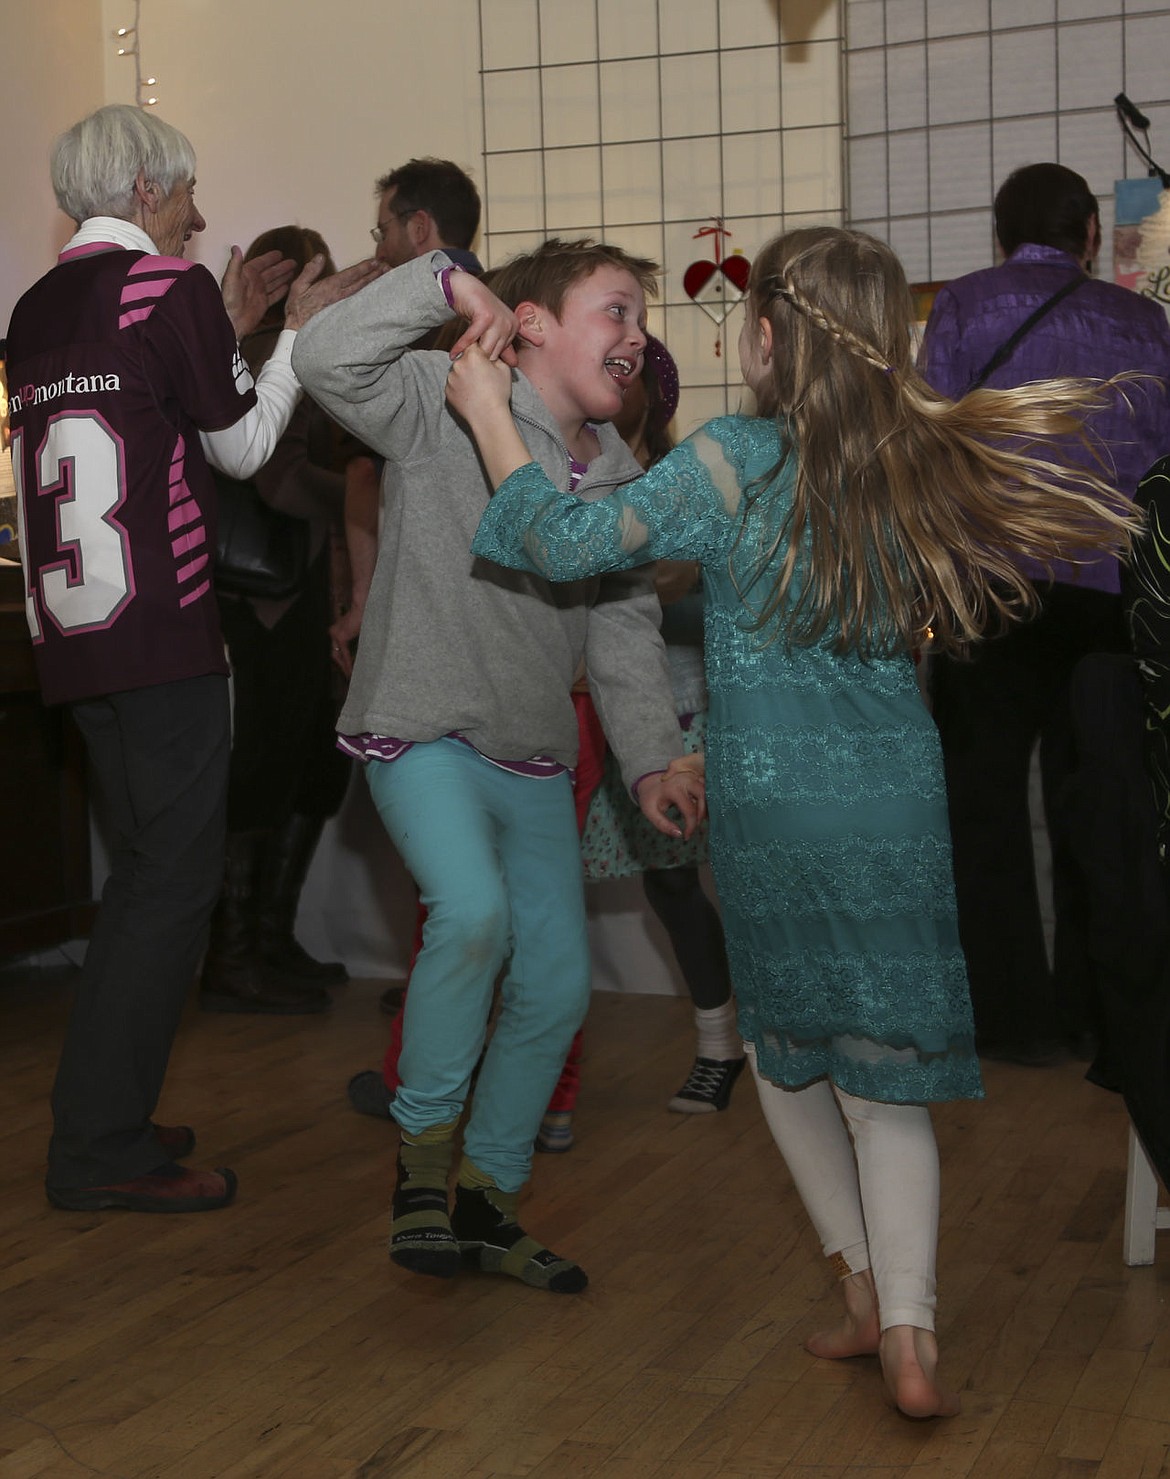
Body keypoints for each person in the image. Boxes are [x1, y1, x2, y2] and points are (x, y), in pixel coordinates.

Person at [446, 224, 1136, 1414]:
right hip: (892, 798)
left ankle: (863, 1293)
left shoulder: (733, 457)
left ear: (765, 337)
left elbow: (566, 545)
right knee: (884, 1080)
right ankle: (909, 1336)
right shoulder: (922, 463)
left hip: (771, 804)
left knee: (779, 1050)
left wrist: (488, 416)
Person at [292, 237, 700, 1293]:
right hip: (422, 728)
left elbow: (619, 633)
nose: (636, 334)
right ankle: (421, 1172)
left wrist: (653, 758)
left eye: (640, 316)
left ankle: (487, 1200)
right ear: (534, 326)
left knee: (559, 984)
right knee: (471, 918)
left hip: (531, 757)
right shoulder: (443, 395)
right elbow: (327, 356)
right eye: (615, 311)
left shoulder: (616, 477)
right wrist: (441, 279)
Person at [6, 104, 379, 1214]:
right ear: (145, 190)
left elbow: (144, 393)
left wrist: (229, 318)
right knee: (174, 887)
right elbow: (245, 445)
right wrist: (298, 334)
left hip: (71, 637)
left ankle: (99, 1113)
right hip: (162, 629)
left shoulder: (36, 306)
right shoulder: (162, 292)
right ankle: (101, 1148)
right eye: (186, 195)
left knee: (142, 885)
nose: (199, 215)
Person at [918, 162, 1170, 1066]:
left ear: (998, 233)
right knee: (1100, 802)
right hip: (1113, 594)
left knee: (982, 804)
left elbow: (929, 445)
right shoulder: (1147, 322)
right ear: (1092, 236)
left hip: (995, 585)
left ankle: (1007, 1018)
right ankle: (1103, 1018)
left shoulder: (964, 307)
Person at [201, 226, 358, 1015]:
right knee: (271, 770)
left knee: (301, 768)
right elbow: (275, 476)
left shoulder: (263, 351)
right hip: (269, 599)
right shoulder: (276, 355)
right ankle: (239, 953)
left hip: (284, 596)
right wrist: (362, 494)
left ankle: (260, 942)